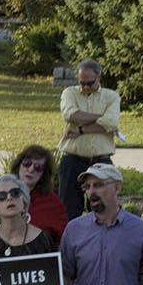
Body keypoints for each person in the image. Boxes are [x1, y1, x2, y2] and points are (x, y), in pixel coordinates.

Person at [55, 60, 122, 218]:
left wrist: (80, 129)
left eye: (90, 83)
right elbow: (70, 115)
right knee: (68, 213)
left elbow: (112, 123)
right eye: (82, 83)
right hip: (73, 160)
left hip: (101, 161)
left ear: (99, 78)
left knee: (104, 211)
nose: (85, 87)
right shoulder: (69, 93)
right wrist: (102, 119)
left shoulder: (111, 96)